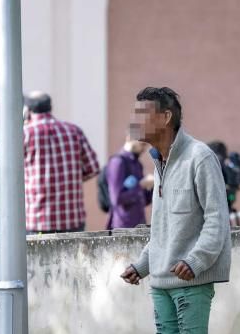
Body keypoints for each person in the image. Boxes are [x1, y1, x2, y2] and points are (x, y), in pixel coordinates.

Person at [121, 87, 232, 334]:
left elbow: (217, 220)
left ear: (166, 117)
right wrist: (140, 265)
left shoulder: (200, 157)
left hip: (192, 280)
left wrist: (197, 260)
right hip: (163, 281)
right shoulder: (160, 161)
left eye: (143, 112)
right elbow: (162, 233)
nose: (135, 120)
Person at [22, 91, 100, 234]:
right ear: (50, 107)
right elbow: (93, 168)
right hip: (72, 219)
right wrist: (71, 179)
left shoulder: (24, 134)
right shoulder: (74, 131)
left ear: (27, 110)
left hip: (37, 221)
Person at [104, 134, 153, 231]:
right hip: (122, 228)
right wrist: (141, 185)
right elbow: (116, 199)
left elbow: (143, 199)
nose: (144, 148)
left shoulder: (137, 164)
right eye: (142, 144)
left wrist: (153, 187)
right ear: (130, 138)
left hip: (139, 226)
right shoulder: (117, 162)